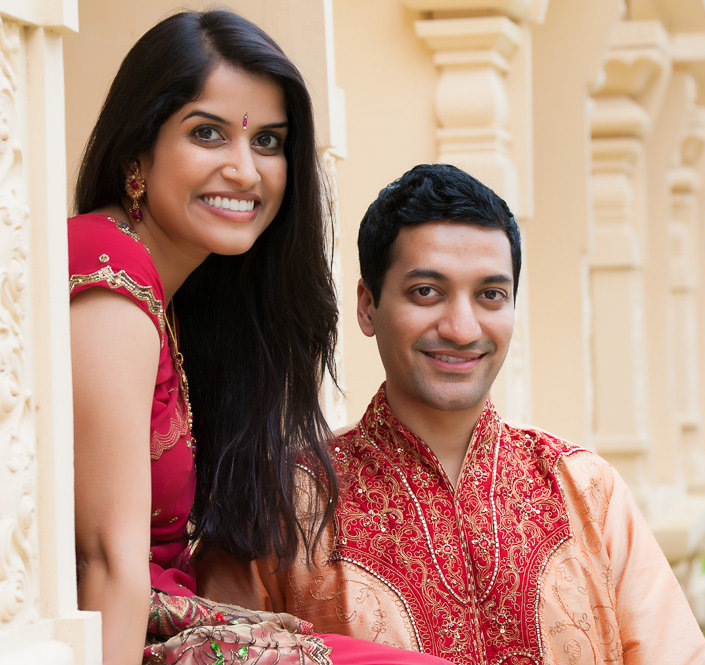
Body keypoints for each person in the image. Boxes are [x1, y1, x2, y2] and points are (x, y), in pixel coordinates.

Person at [199, 164, 705, 665]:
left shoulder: (584, 491)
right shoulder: (278, 501)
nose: (462, 327)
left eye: (491, 295)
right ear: (367, 305)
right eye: (427, 292)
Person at [69, 11, 453, 665]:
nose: (245, 170)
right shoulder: (111, 274)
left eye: (269, 141)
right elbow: (107, 560)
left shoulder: (173, 300)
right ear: (137, 153)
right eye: (207, 133)